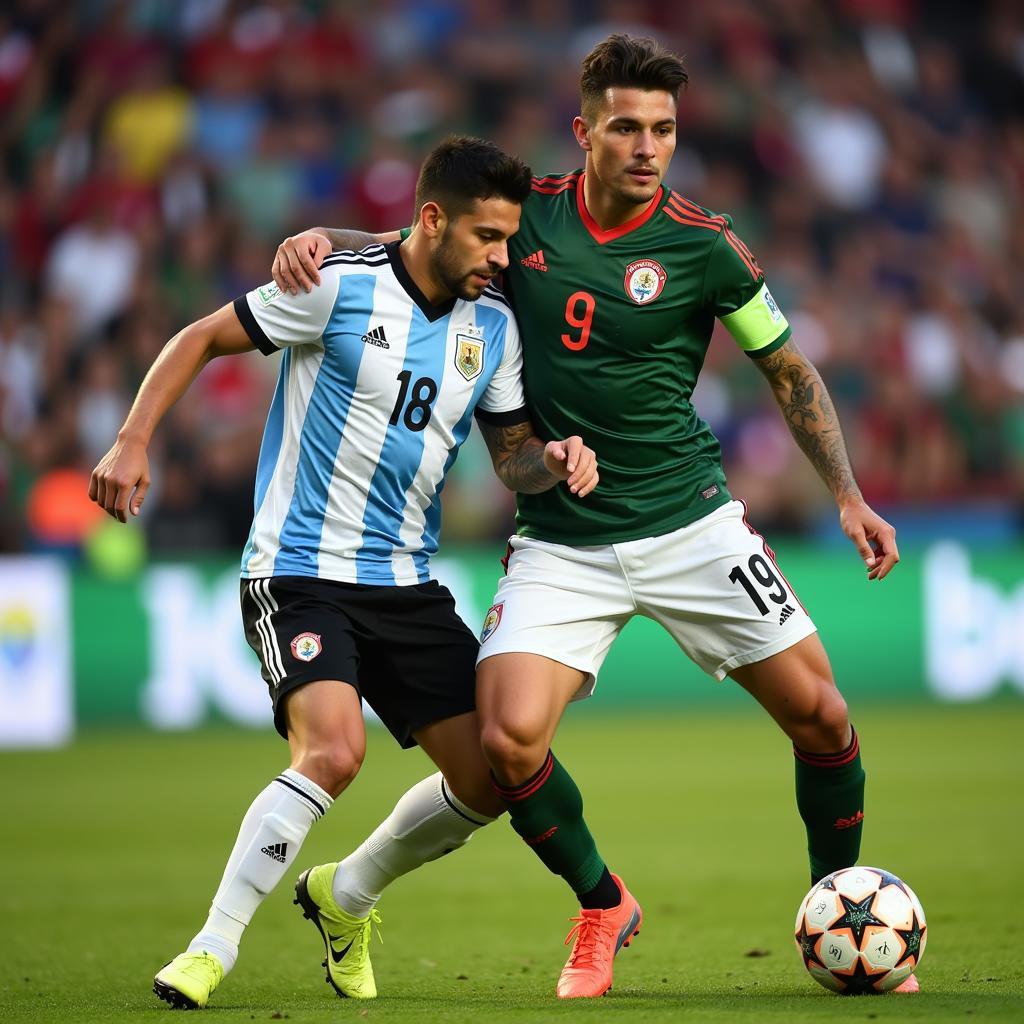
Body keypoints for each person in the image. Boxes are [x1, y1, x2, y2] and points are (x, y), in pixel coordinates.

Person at [274, 34, 916, 999]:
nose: (648, 145)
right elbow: (424, 242)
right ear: (585, 132)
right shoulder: (523, 217)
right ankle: (602, 903)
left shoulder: (706, 247)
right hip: (563, 539)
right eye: (626, 127)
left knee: (823, 719)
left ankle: (843, 905)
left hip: (694, 523)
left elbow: (787, 368)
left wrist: (848, 494)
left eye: (663, 128)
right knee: (506, 741)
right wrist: (322, 239)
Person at [88, 134, 602, 1010]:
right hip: (298, 568)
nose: (500, 257)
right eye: (485, 237)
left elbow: (510, 456)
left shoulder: (494, 327)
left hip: (404, 580)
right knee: (334, 749)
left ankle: (344, 895)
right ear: (431, 218)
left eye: (508, 239)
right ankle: (211, 947)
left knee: (487, 778)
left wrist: (551, 459)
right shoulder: (333, 283)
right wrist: (134, 440)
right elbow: (201, 337)